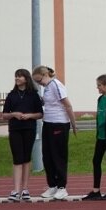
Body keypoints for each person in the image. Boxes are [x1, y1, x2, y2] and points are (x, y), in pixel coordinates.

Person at [32, 66, 77, 200]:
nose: (39, 84)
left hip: (59, 123)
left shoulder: (56, 85)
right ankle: (52, 185)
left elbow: (68, 105)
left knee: (58, 155)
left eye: (39, 80)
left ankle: (62, 187)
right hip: (48, 123)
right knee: (47, 156)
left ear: (45, 74)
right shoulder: (47, 88)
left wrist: (73, 124)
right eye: (37, 82)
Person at [1, 69, 44, 201]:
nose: (17, 78)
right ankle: (15, 190)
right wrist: (14, 114)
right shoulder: (11, 95)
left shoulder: (33, 95)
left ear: (26, 78)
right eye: (16, 76)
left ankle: (25, 189)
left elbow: (40, 114)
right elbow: (4, 115)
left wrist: (29, 116)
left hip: (29, 128)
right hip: (14, 129)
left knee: (26, 158)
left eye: (19, 76)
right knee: (17, 158)